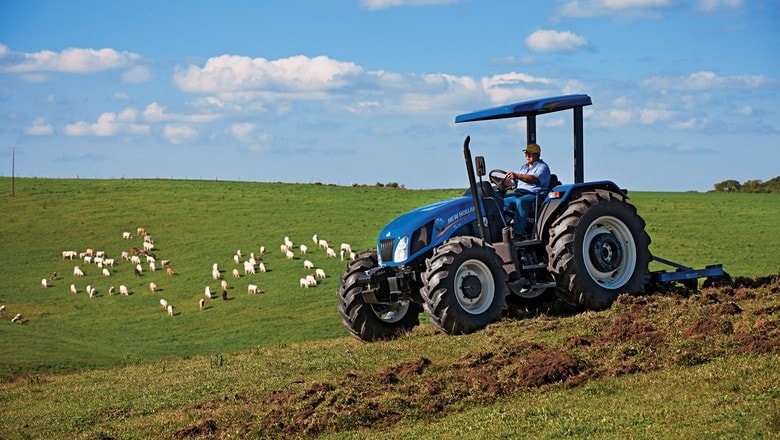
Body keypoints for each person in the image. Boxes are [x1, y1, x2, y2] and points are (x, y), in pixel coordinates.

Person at [502, 143, 551, 238]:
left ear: (538, 155)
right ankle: (503, 231)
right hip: (519, 193)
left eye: (531, 154)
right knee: (500, 201)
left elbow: (533, 179)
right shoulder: (523, 167)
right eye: (526, 153)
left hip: (535, 195)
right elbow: (512, 183)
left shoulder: (542, 167)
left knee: (521, 202)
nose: (527, 156)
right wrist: (498, 180)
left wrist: (517, 175)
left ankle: (518, 234)